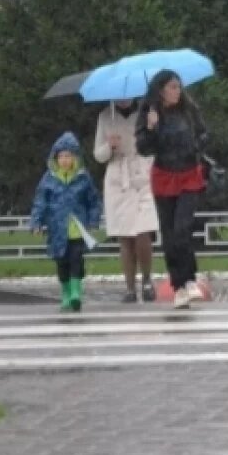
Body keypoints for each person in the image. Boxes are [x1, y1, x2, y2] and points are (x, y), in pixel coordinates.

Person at [136, 70, 209, 310]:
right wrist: (151, 128)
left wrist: (196, 146)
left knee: (182, 229)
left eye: (179, 86)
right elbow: (144, 149)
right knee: (168, 234)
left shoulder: (189, 109)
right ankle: (178, 286)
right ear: (161, 90)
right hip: (164, 176)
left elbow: (204, 134)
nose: (177, 91)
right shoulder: (150, 113)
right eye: (173, 87)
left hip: (188, 175)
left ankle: (189, 280)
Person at [29, 132, 102, 313]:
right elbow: (40, 201)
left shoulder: (83, 178)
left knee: (76, 260)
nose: (64, 160)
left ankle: (76, 293)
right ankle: (66, 294)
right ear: (55, 158)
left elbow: (93, 201)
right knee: (62, 263)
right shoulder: (49, 179)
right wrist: (36, 222)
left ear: (75, 157)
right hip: (57, 230)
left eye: (68, 156)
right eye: (61, 156)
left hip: (77, 230)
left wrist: (93, 220)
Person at [94, 100, 158, 303]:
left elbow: (157, 144)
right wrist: (109, 147)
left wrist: (151, 128)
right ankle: (130, 288)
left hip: (141, 176)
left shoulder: (145, 113)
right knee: (125, 237)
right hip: (118, 180)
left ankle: (147, 280)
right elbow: (98, 155)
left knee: (143, 231)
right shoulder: (105, 116)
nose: (125, 99)